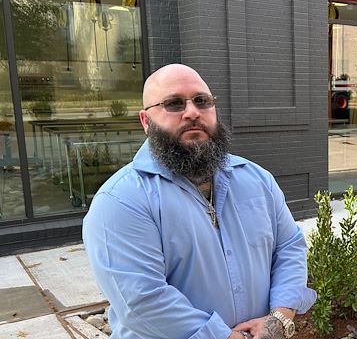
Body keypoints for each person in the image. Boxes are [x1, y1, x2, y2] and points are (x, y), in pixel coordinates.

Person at [83, 64, 316, 339]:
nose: (192, 112)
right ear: (146, 121)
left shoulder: (257, 180)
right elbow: (141, 301)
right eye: (174, 103)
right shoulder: (120, 201)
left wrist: (279, 317)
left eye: (202, 101)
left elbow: (289, 247)